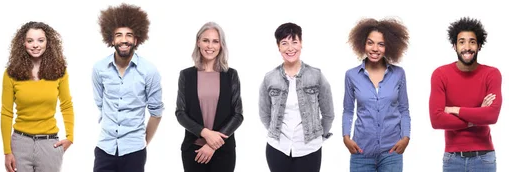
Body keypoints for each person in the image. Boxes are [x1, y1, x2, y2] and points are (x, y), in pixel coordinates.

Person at [92, 3, 164, 172]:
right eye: (119, 35)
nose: (124, 40)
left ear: (136, 40)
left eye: (129, 35)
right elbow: (101, 104)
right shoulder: (99, 69)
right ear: (111, 39)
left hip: (134, 151)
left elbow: (156, 112)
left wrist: (142, 141)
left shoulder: (149, 71)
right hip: (105, 148)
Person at [259, 22, 334, 172]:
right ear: (278, 47)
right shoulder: (270, 78)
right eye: (284, 43)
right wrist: (276, 132)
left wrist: (318, 136)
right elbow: (264, 114)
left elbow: (328, 114)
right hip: (277, 148)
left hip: (310, 149)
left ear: (301, 44)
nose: (290, 48)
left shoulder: (316, 75)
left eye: (294, 42)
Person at [429, 17, 502, 172]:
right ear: (454, 46)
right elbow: (437, 120)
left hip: (484, 157)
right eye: (462, 42)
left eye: (472, 42)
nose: (467, 47)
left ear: (479, 45)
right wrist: (476, 116)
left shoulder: (492, 74)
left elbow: (491, 116)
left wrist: (455, 110)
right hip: (452, 158)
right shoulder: (441, 74)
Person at [0, 21, 74, 172]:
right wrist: (7, 151)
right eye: (30, 40)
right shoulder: (11, 74)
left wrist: (70, 137)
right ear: (23, 43)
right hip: (20, 144)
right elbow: (6, 113)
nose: (35, 45)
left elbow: (66, 105)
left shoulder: (60, 71)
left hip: (49, 144)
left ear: (48, 43)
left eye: (41, 40)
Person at [342, 17, 411, 172]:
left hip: (392, 152)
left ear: (389, 47)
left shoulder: (398, 74)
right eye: (370, 42)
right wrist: (346, 137)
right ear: (363, 44)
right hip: (361, 151)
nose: (375, 48)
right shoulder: (352, 75)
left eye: (381, 44)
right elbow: (348, 110)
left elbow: (404, 109)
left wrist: (406, 137)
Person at [175, 22, 243, 172]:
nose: (210, 46)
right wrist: (205, 133)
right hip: (194, 151)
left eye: (215, 41)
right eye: (206, 40)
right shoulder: (186, 75)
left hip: (224, 151)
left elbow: (238, 115)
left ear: (221, 45)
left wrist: (213, 144)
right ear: (198, 42)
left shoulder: (231, 75)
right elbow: (180, 113)